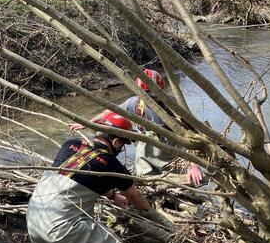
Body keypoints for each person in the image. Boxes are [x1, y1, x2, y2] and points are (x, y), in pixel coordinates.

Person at [27, 112, 152, 243]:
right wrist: (149, 212)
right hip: (61, 226)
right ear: (116, 142)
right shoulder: (112, 165)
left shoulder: (71, 145)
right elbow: (136, 197)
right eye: (123, 145)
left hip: (35, 216)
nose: (121, 148)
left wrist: (112, 195)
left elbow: (77, 175)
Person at [70, 69, 203, 186]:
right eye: (145, 93)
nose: (148, 97)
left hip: (172, 157)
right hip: (144, 158)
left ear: (161, 89)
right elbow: (109, 112)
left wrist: (192, 165)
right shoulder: (134, 103)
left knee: (184, 185)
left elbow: (190, 136)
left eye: (151, 93)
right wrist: (87, 123)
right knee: (148, 184)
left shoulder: (173, 107)